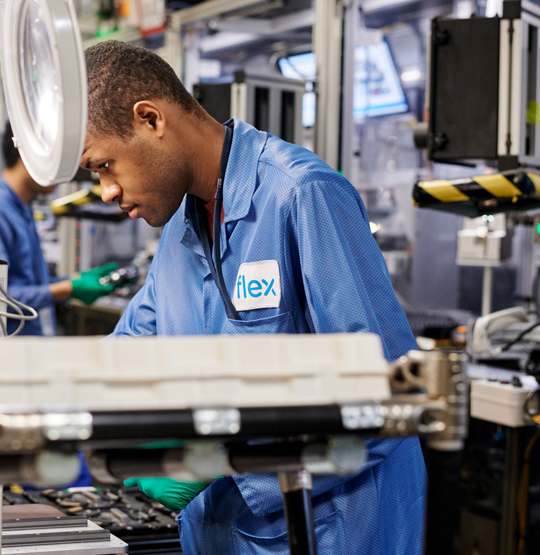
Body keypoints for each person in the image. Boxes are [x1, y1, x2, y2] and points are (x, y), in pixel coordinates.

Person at [82, 41, 425, 554]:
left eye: (105, 164)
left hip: (333, 529)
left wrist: (226, 454)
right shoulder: (180, 228)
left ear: (150, 119)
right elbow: (131, 347)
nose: (106, 191)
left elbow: (390, 393)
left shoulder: (301, 195)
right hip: (227, 533)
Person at [0, 122, 117, 336]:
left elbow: (27, 284)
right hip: (4, 352)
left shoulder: (22, 207)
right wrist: (69, 289)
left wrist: (73, 280)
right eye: (58, 159)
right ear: (31, 153)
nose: (65, 171)